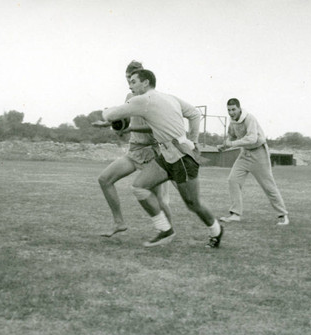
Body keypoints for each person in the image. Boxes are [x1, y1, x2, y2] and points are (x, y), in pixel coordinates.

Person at [102, 69, 224, 248]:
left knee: (193, 203)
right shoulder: (170, 97)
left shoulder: (144, 99)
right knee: (139, 187)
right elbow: (194, 114)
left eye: (134, 82)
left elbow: (111, 116)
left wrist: (106, 112)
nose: (130, 85)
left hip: (182, 156)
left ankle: (216, 230)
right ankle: (165, 230)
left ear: (145, 83)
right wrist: (195, 139)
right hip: (167, 155)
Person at [92, 61, 172, 237]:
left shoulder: (153, 99)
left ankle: (168, 231)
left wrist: (130, 129)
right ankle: (119, 223)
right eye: (127, 78)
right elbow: (122, 118)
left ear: (143, 79)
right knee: (104, 179)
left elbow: (155, 128)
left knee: (157, 199)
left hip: (153, 153)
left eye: (133, 78)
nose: (130, 83)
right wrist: (108, 124)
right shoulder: (130, 96)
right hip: (134, 151)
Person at [217, 98, 289, 225]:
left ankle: (283, 215)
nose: (231, 112)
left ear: (239, 108)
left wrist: (232, 143)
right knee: (233, 180)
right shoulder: (232, 121)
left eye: (233, 109)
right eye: (229, 110)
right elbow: (232, 136)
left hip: (259, 152)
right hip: (245, 153)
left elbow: (252, 138)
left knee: (268, 185)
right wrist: (225, 145)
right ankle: (235, 214)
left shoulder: (249, 118)